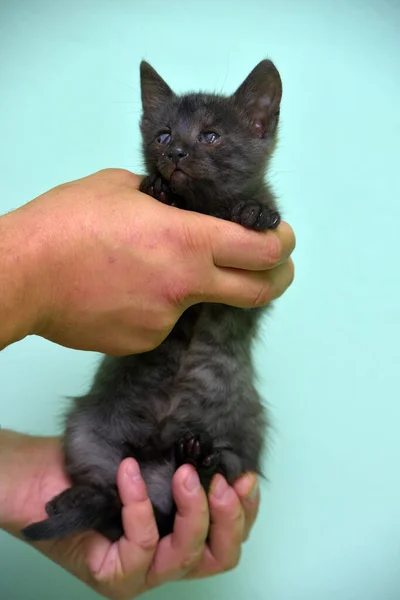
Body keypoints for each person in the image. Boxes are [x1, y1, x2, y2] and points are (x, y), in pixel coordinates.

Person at [0, 169, 295, 599]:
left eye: (211, 137)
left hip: (204, 435)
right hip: (117, 429)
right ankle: (108, 498)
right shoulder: (147, 211)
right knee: (95, 437)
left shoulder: (245, 209)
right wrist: (44, 267)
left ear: (260, 130)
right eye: (163, 134)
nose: (181, 152)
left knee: (210, 475)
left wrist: (13, 479)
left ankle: (173, 477)